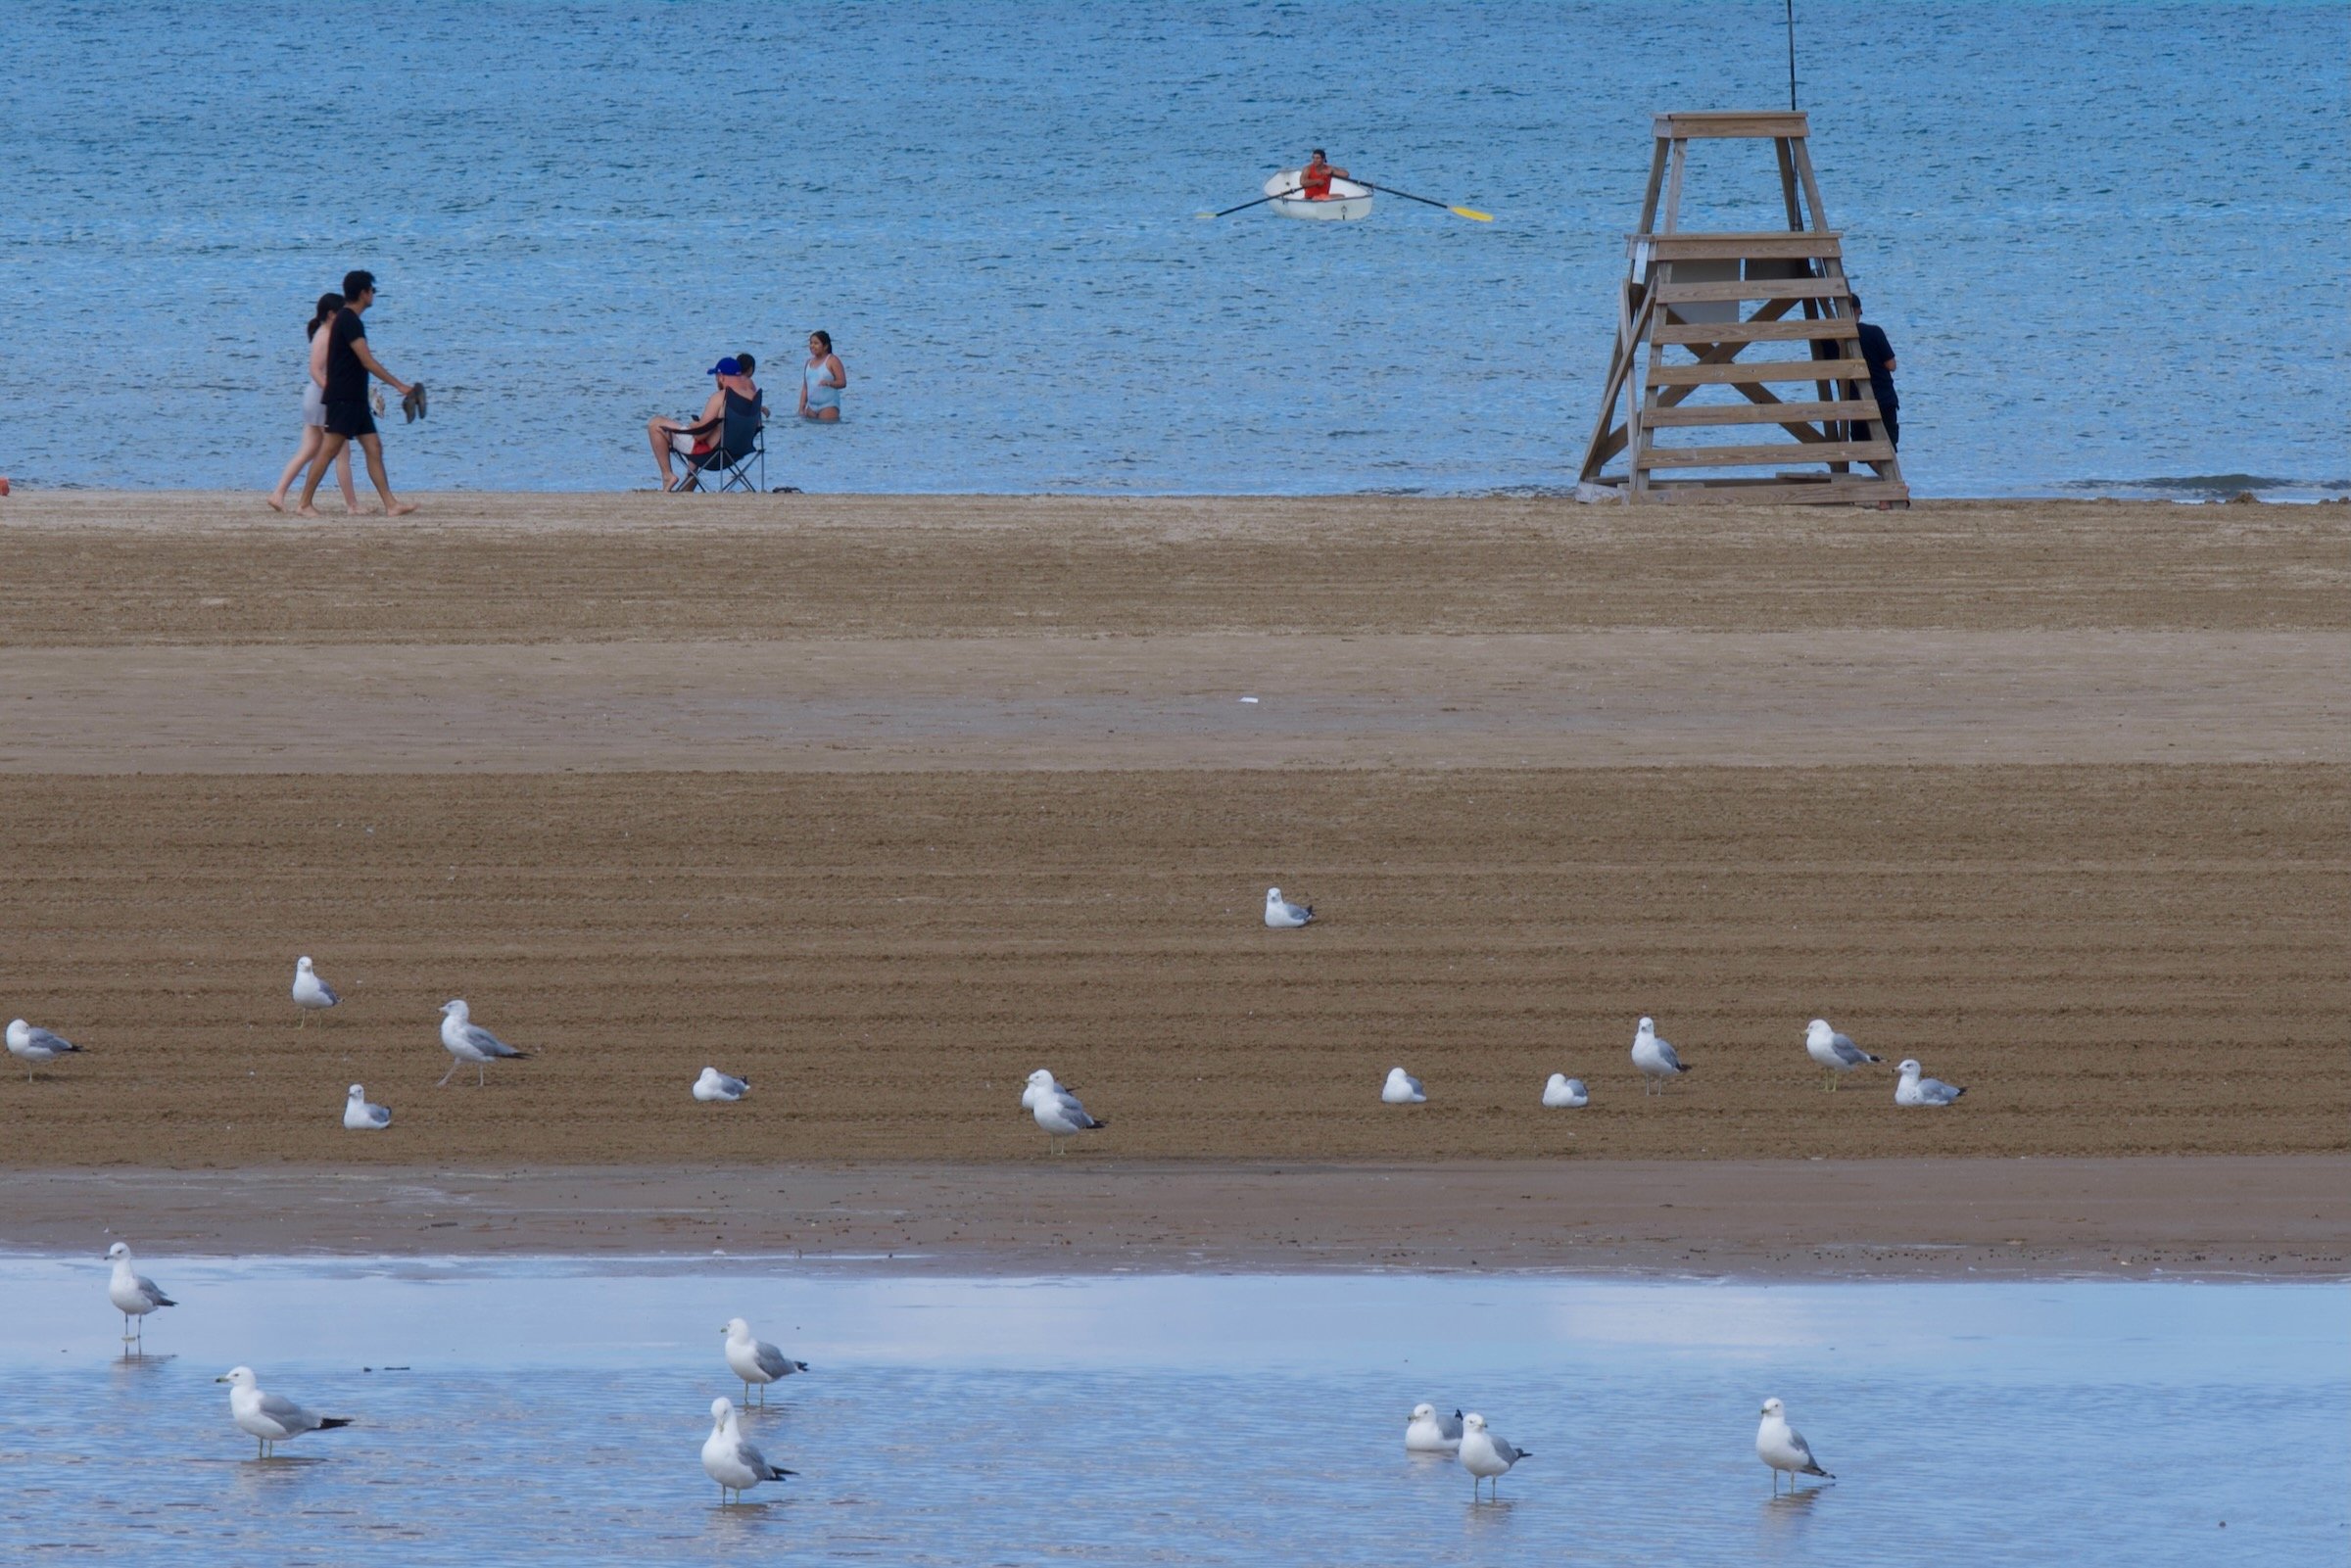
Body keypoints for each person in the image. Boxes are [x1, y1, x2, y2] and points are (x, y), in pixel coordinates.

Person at [298, 270, 418, 517]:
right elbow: (367, 361)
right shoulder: (349, 320)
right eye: (372, 290)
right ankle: (304, 504)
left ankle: (391, 505)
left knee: (374, 447)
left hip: (355, 397)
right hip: (343, 397)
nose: (373, 295)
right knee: (330, 449)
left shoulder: (348, 319)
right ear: (364, 293)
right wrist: (399, 385)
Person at [266, 292, 360, 513]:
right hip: (321, 399)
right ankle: (352, 505)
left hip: (315, 398)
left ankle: (278, 494)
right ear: (330, 314)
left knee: (308, 450)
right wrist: (334, 393)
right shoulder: (325, 335)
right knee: (342, 452)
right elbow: (315, 370)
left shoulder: (327, 333)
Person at [649, 354, 762, 490]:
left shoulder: (720, 397)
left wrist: (695, 425)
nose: (717, 381)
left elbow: (699, 435)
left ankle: (668, 476)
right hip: (737, 453)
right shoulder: (754, 397)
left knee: (655, 424)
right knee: (705, 431)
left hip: (711, 455)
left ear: (721, 377)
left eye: (716, 378)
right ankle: (690, 478)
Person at [1849, 294, 1898, 453]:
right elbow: (1891, 365)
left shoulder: (1831, 340)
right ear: (1857, 311)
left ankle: (1886, 476)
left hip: (1855, 401)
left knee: (1865, 452)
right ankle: (1890, 478)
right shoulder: (1874, 332)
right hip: (1883, 398)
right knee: (1887, 449)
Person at [799, 332, 845, 422]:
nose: (812, 346)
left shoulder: (833, 360)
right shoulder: (808, 362)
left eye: (816, 343)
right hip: (811, 407)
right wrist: (801, 408)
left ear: (825, 346)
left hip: (828, 406)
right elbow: (805, 387)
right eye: (811, 343)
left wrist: (829, 383)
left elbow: (842, 382)